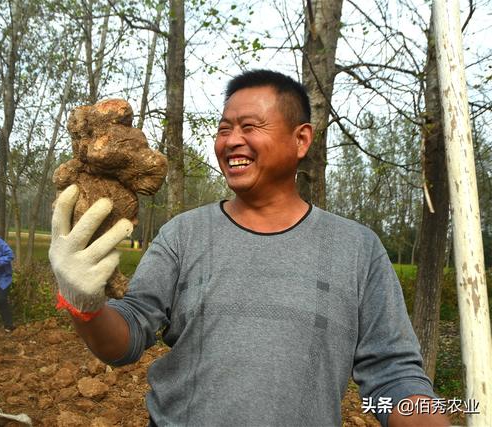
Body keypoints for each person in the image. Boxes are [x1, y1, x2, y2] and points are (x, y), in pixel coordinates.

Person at [49, 70, 450, 426]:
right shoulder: (183, 235)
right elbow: (127, 338)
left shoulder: (357, 249)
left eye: (250, 127)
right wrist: (85, 305)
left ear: (301, 139)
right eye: (224, 129)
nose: (231, 142)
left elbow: (393, 376)